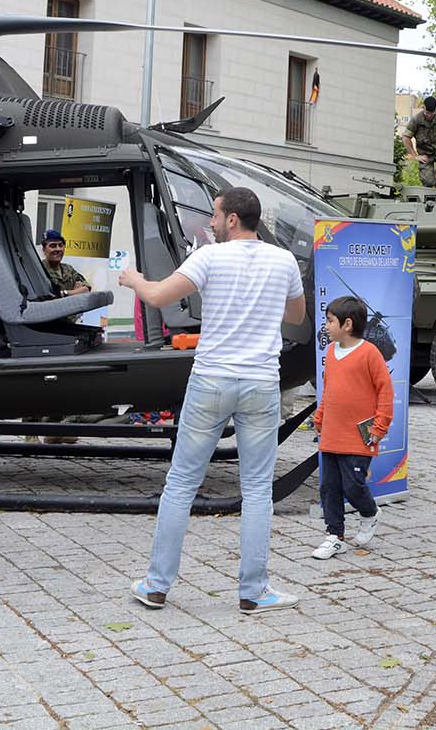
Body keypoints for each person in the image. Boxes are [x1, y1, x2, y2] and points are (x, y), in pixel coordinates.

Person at [124, 187, 306, 613]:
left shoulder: (209, 257)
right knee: (257, 489)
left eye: (215, 214)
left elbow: (158, 297)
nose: (210, 221)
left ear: (232, 219)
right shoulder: (283, 261)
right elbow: (296, 316)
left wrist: (133, 279)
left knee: (181, 483)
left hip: (211, 380)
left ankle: (156, 586)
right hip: (261, 382)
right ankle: (253, 591)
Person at [310, 295, 393, 560]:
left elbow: (385, 391)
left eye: (329, 321)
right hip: (331, 434)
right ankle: (334, 536)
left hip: (359, 436)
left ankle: (370, 512)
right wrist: (320, 418)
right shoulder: (331, 352)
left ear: (347, 324)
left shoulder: (370, 353)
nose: (326, 326)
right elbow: (328, 390)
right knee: (329, 487)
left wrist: (380, 426)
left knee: (353, 485)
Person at [41, 228, 91, 302]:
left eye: (60, 245)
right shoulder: (39, 269)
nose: (58, 249)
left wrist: (64, 293)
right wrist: (75, 292)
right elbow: (47, 297)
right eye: (53, 246)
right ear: (44, 250)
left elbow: (86, 289)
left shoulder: (68, 269)